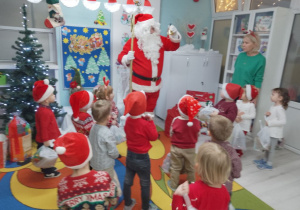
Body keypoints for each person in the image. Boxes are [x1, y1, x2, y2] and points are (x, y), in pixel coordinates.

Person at [118, 13, 181, 115]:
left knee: (149, 113)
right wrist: (126, 58)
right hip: (138, 86)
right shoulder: (133, 42)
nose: (152, 31)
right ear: (142, 30)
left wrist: (173, 35)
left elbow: (173, 46)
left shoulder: (159, 40)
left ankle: (147, 129)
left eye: (153, 28)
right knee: (137, 113)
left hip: (156, 86)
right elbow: (121, 56)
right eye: (149, 28)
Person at [54, 132, 118, 209]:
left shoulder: (63, 186)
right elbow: (113, 200)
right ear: (89, 153)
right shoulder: (103, 177)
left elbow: (62, 207)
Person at [122, 91, 159, 210]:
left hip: (130, 155)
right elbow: (154, 137)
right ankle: (145, 207)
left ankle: (127, 204)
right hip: (142, 158)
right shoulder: (145, 123)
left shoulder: (128, 120)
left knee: (127, 180)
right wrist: (150, 121)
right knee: (145, 183)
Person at [172, 142, 231, 210]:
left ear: (201, 168)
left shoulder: (192, 190)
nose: (196, 164)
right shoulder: (225, 192)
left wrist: (177, 196)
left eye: (198, 161)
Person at [168, 95, 201, 191]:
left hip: (176, 148)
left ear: (179, 109)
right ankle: (191, 185)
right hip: (190, 149)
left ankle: (174, 185)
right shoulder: (196, 122)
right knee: (190, 168)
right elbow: (198, 134)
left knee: (175, 167)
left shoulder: (176, 120)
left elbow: (171, 132)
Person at [89, 100, 122, 196]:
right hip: (106, 165)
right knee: (109, 180)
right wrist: (116, 154)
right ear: (109, 117)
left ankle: (98, 194)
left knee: (98, 180)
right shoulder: (107, 133)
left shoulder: (92, 128)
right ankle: (110, 196)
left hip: (94, 162)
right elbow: (113, 152)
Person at [254, 88, 290, 170]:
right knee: (267, 147)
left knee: (271, 149)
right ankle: (265, 160)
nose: (271, 96)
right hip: (270, 132)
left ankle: (269, 164)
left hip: (275, 133)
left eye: (273, 94)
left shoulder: (280, 109)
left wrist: (270, 123)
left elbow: (283, 121)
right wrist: (267, 115)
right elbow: (270, 118)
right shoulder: (273, 106)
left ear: (280, 98)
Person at [32, 79, 61, 178]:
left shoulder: (45, 108)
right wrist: (46, 140)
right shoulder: (43, 111)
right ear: (46, 99)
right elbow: (43, 128)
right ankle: (48, 171)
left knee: (47, 154)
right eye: (52, 94)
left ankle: (46, 168)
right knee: (46, 155)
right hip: (46, 139)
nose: (54, 95)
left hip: (49, 138)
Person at [208, 115, 242, 195]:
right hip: (225, 188)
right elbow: (237, 170)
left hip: (208, 184)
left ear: (209, 132)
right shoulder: (231, 152)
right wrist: (234, 175)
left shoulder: (206, 146)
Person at [235, 84, 258, 157]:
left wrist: (242, 116)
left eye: (243, 92)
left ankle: (239, 152)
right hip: (236, 124)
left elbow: (253, 115)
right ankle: (233, 150)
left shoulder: (250, 105)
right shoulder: (238, 102)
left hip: (244, 127)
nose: (241, 93)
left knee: (239, 139)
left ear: (248, 95)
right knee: (234, 137)